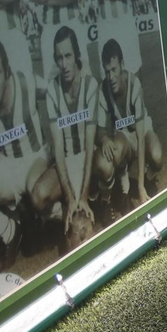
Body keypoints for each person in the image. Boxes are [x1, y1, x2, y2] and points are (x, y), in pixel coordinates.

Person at [0, 39, 58, 264]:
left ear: (7, 71)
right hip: (7, 164)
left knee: (40, 196)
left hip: (36, 156)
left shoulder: (26, 81)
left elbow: (58, 92)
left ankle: (56, 217)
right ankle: (10, 231)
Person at [45, 26, 99, 251]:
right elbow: (58, 149)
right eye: (59, 58)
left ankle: (97, 200)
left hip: (88, 156)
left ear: (76, 54)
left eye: (68, 56)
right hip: (66, 160)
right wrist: (69, 198)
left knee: (105, 165)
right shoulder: (52, 91)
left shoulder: (90, 85)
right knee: (38, 196)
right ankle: (68, 212)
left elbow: (89, 144)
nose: (64, 64)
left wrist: (83, 195)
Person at [94, 40, 163, 208]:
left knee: (157, 156)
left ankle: (147, 180)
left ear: (122, 65)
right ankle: (122, 183)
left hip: (142, 130)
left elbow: (140, 137)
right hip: (123, 134)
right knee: (108, 157)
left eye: (114, 70)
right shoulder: (103, 90)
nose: (110, 77)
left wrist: (140, 187)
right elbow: (99, 131)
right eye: (107, 71)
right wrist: (104, 140)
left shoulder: (134, 84)